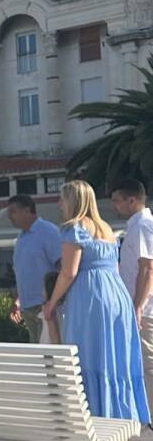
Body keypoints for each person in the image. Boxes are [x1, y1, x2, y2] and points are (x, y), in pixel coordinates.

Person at [43, 180, 149, 423]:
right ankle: (120, 415)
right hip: (117, 295)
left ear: (73, 201)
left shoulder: (74, 228)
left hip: (89, 296)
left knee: (87, 355)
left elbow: (68, 272)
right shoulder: (107, 229)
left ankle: (95, 415)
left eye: (62, 199)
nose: (59, 204)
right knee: (114, 355)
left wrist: (52, 302)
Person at [110, 177, 153, 435]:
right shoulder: (137, 226)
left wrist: (137, 306)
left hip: (145, 311)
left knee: (148, 365)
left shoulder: (142, 226)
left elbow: (147, 269)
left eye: (117, 200)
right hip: (141, 309)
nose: (114, 205)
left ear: (132, 200)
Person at [7, 194, 61, 343]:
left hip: (46, 306)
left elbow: (62, 266)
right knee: (37, 351)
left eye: (13, 211)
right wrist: (17, 301)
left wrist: (54, 300)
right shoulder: (21, 239)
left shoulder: (48, 231)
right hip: (27, 307)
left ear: (27, 210)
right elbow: (23, 273)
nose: (9, 217)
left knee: (49, 350)